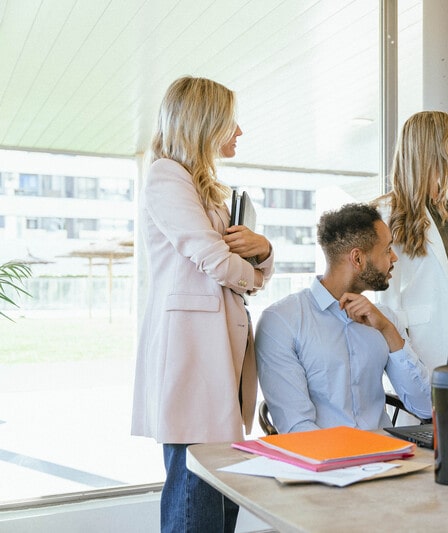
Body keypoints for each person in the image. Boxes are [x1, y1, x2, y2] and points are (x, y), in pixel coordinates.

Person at [131, 76, 274, 533]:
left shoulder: (208, 188)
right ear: (204, 122)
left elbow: (243, 263)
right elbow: (212, 258)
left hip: (219, 355)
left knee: (220, 494)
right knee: (196, 499)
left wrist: (264, 248)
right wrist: (253, 272)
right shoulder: (166, 176)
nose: (239, 131)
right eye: (231, 120)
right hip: (193, 356)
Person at [255, 203, 432, 433]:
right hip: (325, 462)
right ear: (357, 259)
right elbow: (298, 429)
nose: (394, 257)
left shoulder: (384, 319)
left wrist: (387, 330)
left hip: (387, 458)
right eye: (387, 249)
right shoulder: (281, 321)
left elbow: (426, 407)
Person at [373, 110, 448, 376]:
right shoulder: (386, 211)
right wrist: (401, 353)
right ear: (433, 148)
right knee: (434, 414)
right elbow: (386, 295)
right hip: (424, 338)